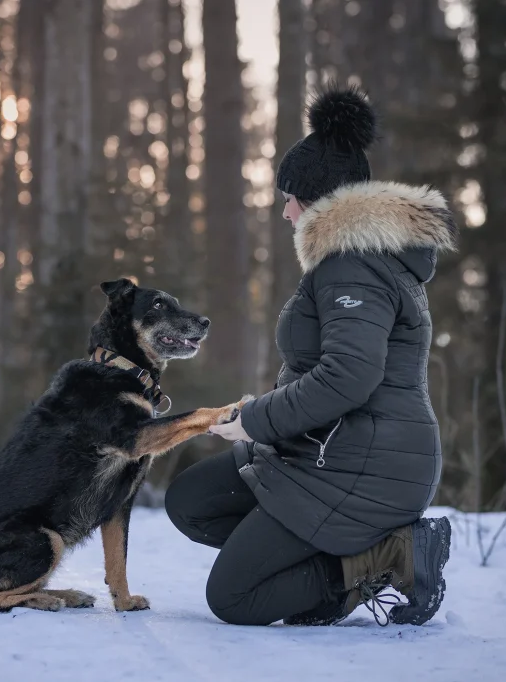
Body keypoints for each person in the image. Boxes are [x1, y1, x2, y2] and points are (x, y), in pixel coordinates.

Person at [165, 84, 456, 627]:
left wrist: (256, 421)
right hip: (320, 450)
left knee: (233, 598)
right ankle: (319, 559)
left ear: (321, 201)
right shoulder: (355, 259)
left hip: (363, 467)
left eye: (290, 197)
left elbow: (349, 377)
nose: (284, 211)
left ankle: (383, 559)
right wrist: (265, 412)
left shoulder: (353, 264)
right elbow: (328, 368)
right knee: (191, 500)